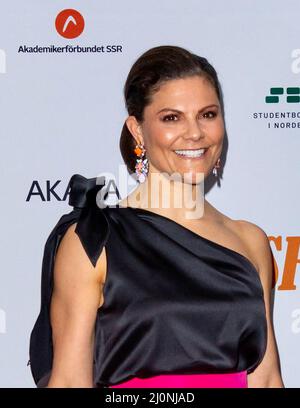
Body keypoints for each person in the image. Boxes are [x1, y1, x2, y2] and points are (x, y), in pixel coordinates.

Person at [29, 45, 284, 388]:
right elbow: (71, 381)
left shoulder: (249, 240)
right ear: (137, 130)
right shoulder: (94, 240)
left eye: (208, 114)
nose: (194, 133)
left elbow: (266, 379)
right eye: (171, 117)